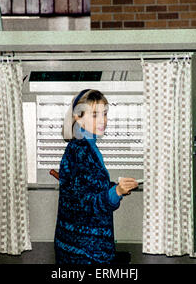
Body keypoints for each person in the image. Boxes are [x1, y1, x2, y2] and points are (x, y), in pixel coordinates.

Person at [54, 89, 138, 264]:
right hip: (83, 250)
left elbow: (91, 186)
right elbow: (85, 203)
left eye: (105, 114)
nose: (103, 120)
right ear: (78, 117)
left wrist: (117, 188)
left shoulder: (89, 145)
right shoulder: (79, 151)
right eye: (94, 115)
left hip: (88, 244)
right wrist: (116, 191)